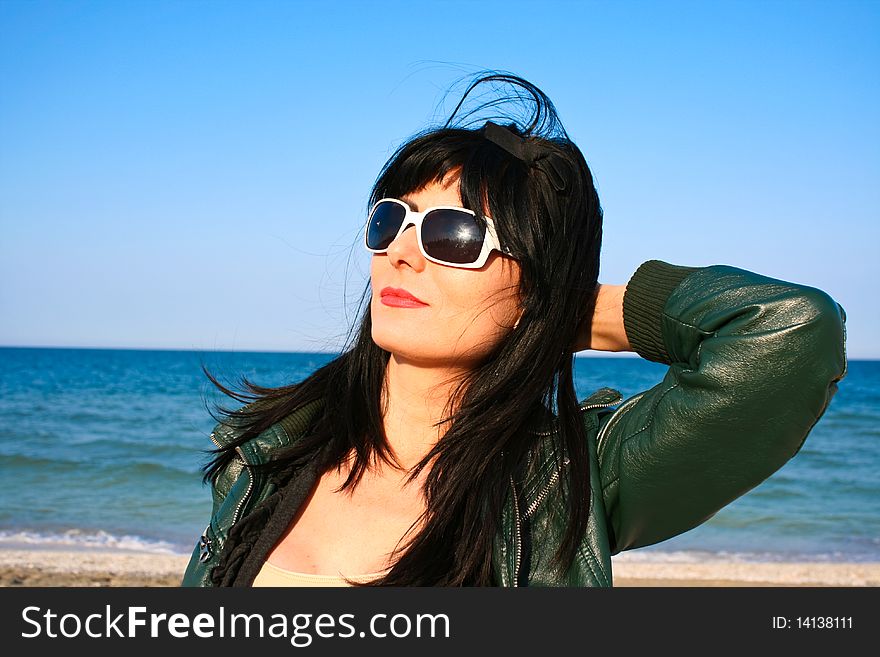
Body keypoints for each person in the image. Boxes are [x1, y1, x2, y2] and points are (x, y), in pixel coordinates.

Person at [181, 73, 847, 587]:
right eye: (392, 220)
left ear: (533, 282)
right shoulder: (267, 453)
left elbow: (790, 332)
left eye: (454, 235)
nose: (402, 253)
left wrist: (565, 310)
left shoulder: (566, 481)